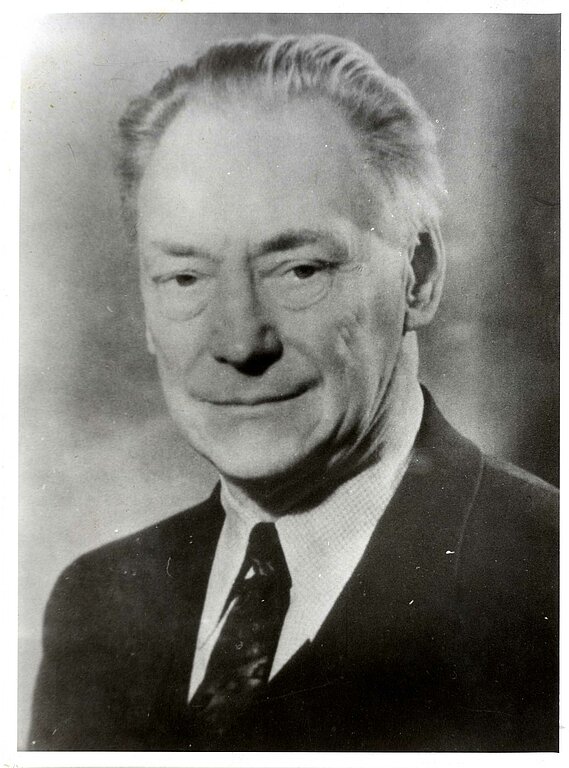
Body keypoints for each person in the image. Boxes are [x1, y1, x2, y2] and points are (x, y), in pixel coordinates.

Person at [28, 34, 558, 752]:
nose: (239, 341)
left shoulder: (545, 586)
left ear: (420, 276)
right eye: (185, 277)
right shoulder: (96, 604)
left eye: (300, 269)